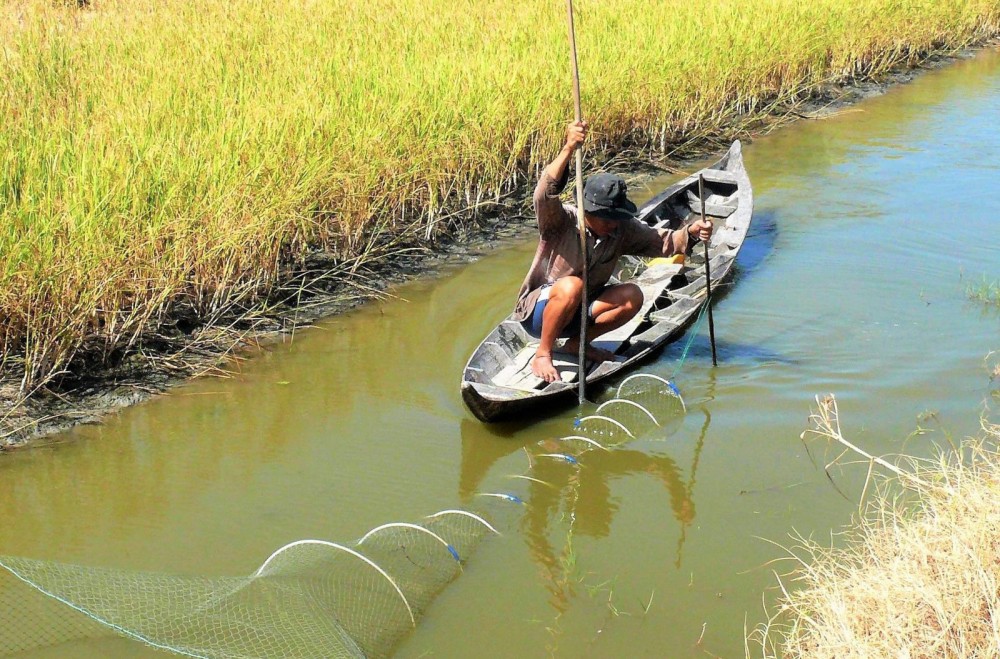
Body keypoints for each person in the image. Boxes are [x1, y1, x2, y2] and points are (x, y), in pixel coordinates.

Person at [512, 121, 713, 383]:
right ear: (588, 211)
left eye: (615, 218)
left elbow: (662, 243)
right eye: (605, 218)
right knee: (571, 285)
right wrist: (569, 147)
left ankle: (577, 344)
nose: (612, 224)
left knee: (632, 296)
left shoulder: (621, 229)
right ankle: (543, 353)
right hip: (539, 313)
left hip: (580, 313)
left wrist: (692, 232)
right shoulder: (561, 222)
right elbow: (544, 194)